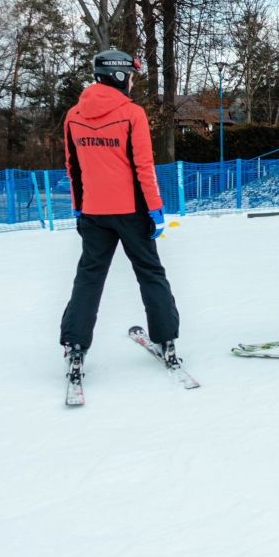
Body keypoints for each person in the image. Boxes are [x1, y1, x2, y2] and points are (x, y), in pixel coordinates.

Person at [59, 49, 180, 378]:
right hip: (132, 212)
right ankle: (166, 339)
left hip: (94, 213)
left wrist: (80, 208)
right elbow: (144, 166)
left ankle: (75, 345)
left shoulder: (73, 115)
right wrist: (155, 210)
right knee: (150, 272)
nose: (131, 82)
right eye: (130, 75)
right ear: (118, 75)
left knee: (89, 277)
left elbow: (74, 168)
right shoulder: (132, 113)